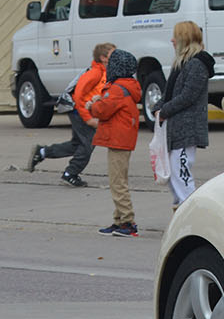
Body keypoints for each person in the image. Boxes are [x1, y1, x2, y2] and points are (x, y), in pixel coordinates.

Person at [27, 41, 114, 188]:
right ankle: (70, 173)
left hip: (82, 111)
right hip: (78, 111)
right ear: (103, 58)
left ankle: (42, 152)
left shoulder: (105, 72)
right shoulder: (95, 72)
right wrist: (88, 119)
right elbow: (78, 95)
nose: (117, 56)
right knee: (88, 144)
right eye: (113, 53)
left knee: (76, 145)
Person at [157, 21, 216, 207]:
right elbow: (170, 92)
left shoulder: (197, 64)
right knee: (173, 174)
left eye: (175, 36)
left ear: (184, 39)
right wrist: (158, 107)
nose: (172, 40)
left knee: (181, 173)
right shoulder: (181, 63)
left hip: (186, 129)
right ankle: (182, 209)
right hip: (175, 129)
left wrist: (165, 110)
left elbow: (188, 96)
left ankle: (192, 211)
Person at [89, 48, 141, 237]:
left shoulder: (117, 88)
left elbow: (102, 110)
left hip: (118, 141)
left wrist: (92, 104)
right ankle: (118, 220)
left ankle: (127, 222)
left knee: (117, 182)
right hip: (123, 139)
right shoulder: (127, 85)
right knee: (119, 180)